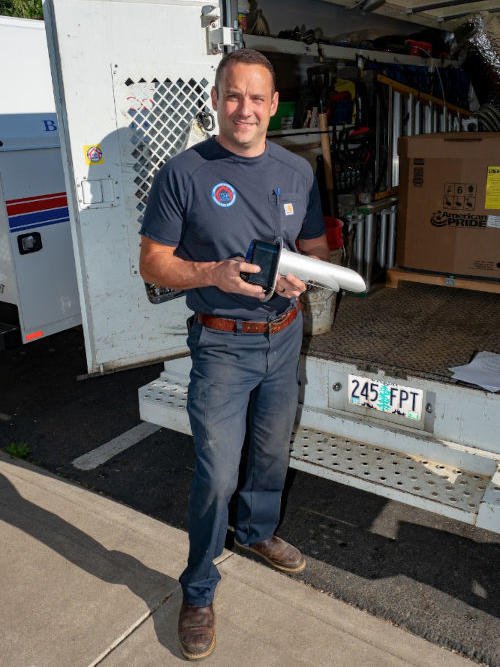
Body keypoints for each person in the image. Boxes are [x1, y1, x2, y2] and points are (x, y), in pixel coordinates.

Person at [139, 48, 330, 661]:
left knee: (272, 451)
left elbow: (314, 247)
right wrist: (213, 274)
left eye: (256, 98)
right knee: (218, 472)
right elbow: (153, 263)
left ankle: (256, 534)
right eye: (233, 95)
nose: (244, 108)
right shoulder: (184, 173)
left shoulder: (298, 171)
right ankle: (198, 588)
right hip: (221, 343)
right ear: (216, 99)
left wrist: (307, 274)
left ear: (274, 106)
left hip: (284, 333)